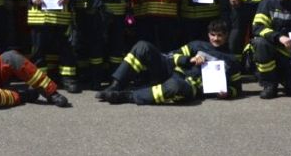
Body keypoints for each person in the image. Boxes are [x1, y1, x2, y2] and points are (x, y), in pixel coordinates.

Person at [97, 19, 241, 104]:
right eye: (213, 35)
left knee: (176, 86)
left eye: (220, 35)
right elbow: (172, 56)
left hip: (188, 85)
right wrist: (189, 59)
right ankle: (116, 85)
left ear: (227, 36)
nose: (216, 39)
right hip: (169, 71)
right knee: (143, 46)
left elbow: (237, 88)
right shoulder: (197, 45)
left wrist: (227, 93)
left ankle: (127, 96)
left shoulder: (232, 60)